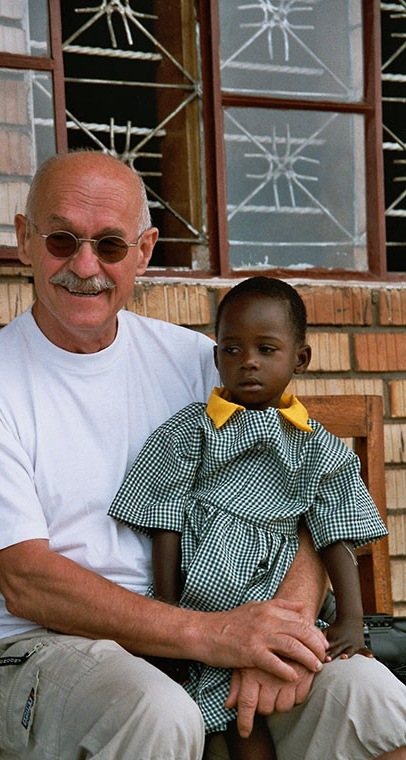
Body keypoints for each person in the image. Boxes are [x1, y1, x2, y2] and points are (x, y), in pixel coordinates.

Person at [0, 151, 406, 760]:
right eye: (61, 239)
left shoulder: (198, 362)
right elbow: (28, 585)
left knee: (372, 699)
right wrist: (217, 637)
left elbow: (314, 494)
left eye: (110, 245)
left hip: (210, 636)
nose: (84, 265)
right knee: (155, 713)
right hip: (42, 643)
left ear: (145, 251)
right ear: (25, 239)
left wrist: (279, 629)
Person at [108, 276, 389, 760]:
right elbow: (166, 523)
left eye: (266, 349)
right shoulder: (191, 431)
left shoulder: (316, 448)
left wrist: (351, 617)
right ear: (217, 357)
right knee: (209, 725)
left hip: (269, 604)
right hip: (198, 610)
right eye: (233, 350)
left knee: (247, 725)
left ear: (299, 359)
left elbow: (334, 534)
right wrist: (172, 612)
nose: (249, 362)